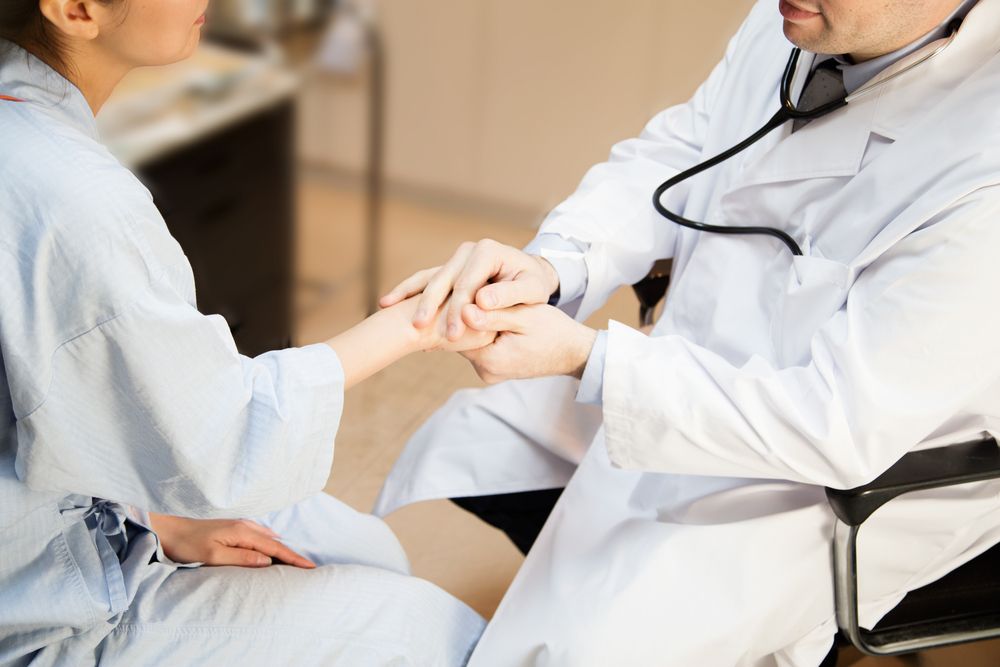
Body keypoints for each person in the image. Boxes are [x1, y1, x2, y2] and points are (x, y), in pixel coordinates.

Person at [375, 0, 1000, 664]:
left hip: (845, 474)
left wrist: (593, 361)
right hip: (706, 364)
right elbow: (684, 150)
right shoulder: (799, 17)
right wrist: (555, 265)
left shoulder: (981, 163)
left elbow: (840, 420)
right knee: (480, 436)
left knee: (592, 644)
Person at [0, 1, 493, 664]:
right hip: (44, 614)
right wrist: (413, 323)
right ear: (77, 10)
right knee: (434, 633)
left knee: (367, 548)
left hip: (53, 514)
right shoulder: (78, 203)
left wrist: (155, 517)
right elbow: (220, 441)